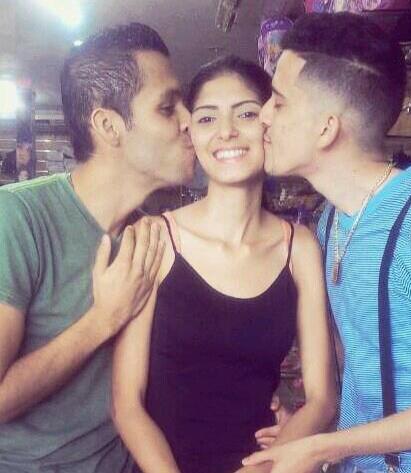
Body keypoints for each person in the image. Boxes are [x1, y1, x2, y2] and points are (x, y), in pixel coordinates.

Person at [243, 12, 411, 473]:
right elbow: (363, 373)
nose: (263, 115)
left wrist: (323, 448)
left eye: (279, 102)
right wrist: (313, 430)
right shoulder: (331, 220)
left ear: (327, 128)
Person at [111, 55, 337, 473]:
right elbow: (127, 403)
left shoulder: (299, 247)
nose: (227, 131)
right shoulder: (154, 237)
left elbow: (322, 399)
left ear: (269, 122)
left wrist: (273, 459)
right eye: (207, 118)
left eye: (246, 113)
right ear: (192, 133)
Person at [0, 23, 194, 472]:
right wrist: (103, 319)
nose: (188, 120)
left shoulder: (154, 234)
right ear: (109, 126)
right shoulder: (19, 217)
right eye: (168, 107)